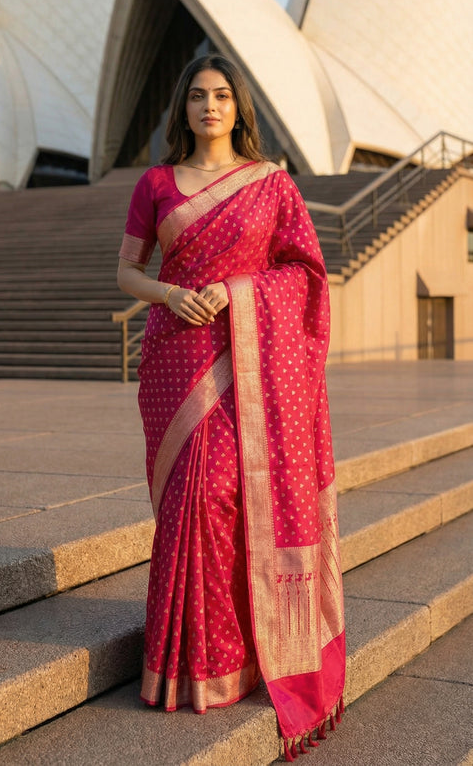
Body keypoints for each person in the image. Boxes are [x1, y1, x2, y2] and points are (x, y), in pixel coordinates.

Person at [117, 54, 345, 761]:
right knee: (187, 497)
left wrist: (239, 289)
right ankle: (187, 662)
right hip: (174, 354)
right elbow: (125, 268)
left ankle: (234, 654)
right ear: (180, 109)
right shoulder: (156, 183)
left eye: (220, 95)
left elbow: (303, 271)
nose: (208, 106)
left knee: (222, 492)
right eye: (195, 96)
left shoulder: (271, 183)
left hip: (249, 354)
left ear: (238, 106)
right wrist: (168, 294)